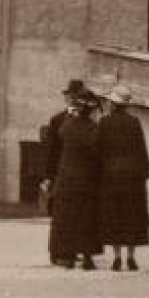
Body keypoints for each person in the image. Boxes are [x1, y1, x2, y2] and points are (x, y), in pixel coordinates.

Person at [96, 87, 149, 272]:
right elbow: (142, 150)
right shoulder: (135, 123)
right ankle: (131, 257)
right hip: (133, 177)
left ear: (113, 104)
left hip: (111, 176)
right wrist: (144, 174)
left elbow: (98, 149)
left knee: (114, 216)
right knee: (132, 216)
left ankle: (117, 257)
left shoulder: (104, 123)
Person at [49, 88, 104, 270]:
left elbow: (61, 139)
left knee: (66, 217)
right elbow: (97, 153)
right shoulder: (93, 129)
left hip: (66, 177)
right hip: (87, 178)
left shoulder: (67, 126)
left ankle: (67, 255)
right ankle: (87, 256)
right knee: (87, 216)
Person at [42, 81, 87, 265]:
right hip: (61, 173)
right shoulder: (57, 120)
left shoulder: (87, 121)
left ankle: (73, 249)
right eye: (71, 95)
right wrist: (48, 176)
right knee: (59, 215)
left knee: (77, 213)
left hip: (79, 174)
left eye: (77, 96)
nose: (73, 99)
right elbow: (51, 151)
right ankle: (57, 252)